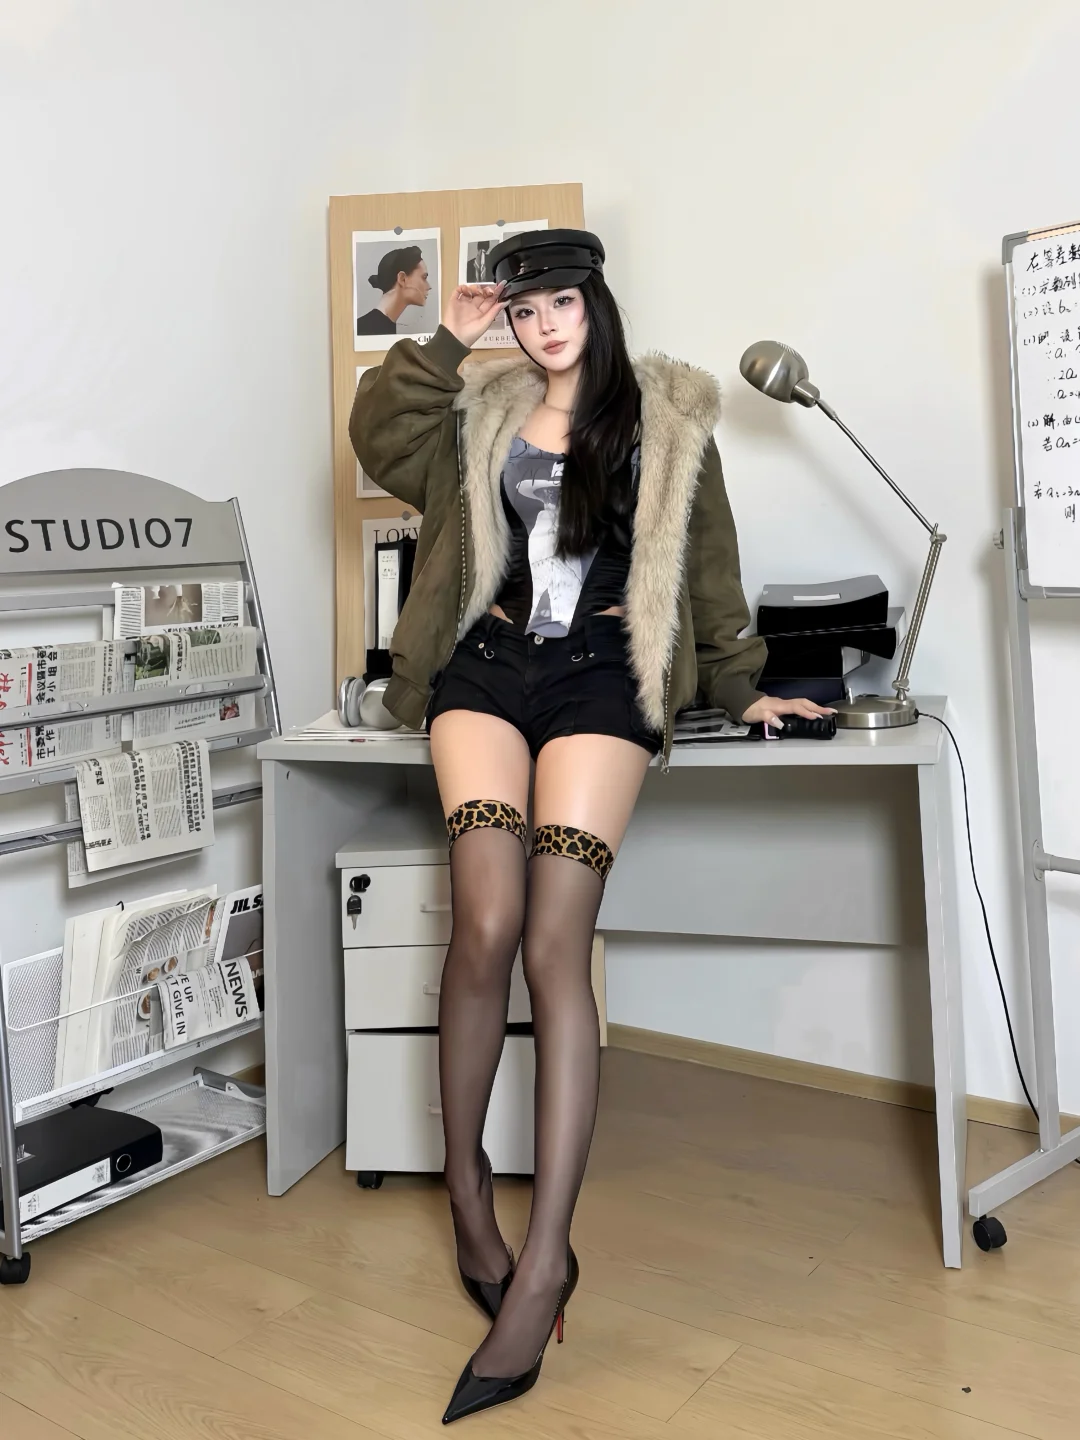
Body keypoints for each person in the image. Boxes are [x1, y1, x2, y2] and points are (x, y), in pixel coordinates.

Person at [350, 229, 832, 1424]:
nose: (543, 326)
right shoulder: (482, 409)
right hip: (486, 669)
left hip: (602, 684)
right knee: (484, 924)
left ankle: (545, 1258)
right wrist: (449, 339)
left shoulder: (669, 419)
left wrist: (741, 687)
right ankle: (468, 1193)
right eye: (524, 311)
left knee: (554, 942)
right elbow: (377, 440)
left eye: (559, 303)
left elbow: (708, 572)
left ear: (594, 302)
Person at [356, 244, 431, 336]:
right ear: (402, 279)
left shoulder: (377, 326)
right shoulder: (366, 330)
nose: (429, 286)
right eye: (424, 277)